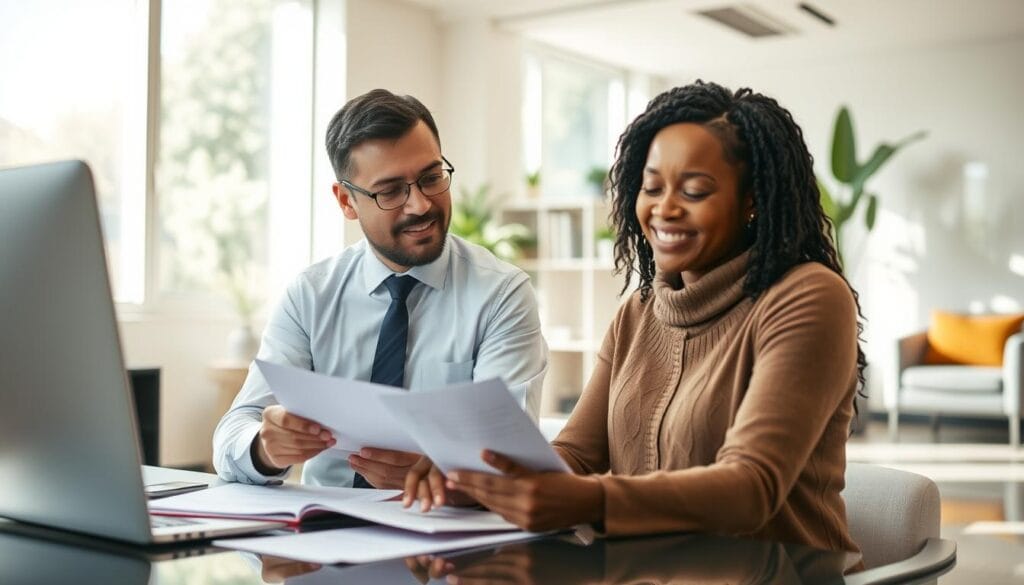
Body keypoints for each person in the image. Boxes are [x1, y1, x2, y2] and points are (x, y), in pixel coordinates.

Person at [405, 81, 865, 563]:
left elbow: (750, 489)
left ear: (751, 199)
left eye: (694, 191)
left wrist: (593, 500)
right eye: (652, 187)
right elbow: (578, 456)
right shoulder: (640, 310)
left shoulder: (806, 296)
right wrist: (481, 479)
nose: (664, 209)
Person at [213, 89, 547, 488]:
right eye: (390, 191)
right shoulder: (310, 296)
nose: (420, 205)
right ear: (346, 202)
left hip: (450, 534)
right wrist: (266, 448)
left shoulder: (501, 295)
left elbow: (511, 459)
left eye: (431, 177)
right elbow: (234, 432)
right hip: (328, 533)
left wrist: (440, 473)